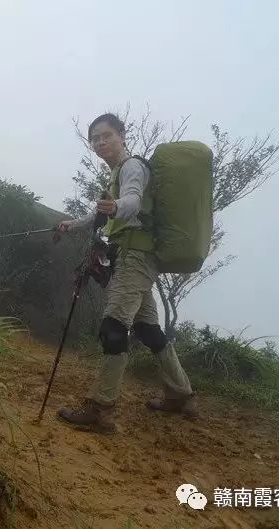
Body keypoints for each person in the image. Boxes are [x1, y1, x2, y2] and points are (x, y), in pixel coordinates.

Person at [55, 113, 197, 434]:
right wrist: (71, 224)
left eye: (106, 135)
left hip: (135, 257)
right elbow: (99, 215)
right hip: (136, 256)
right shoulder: (116, 173)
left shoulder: (132, 166)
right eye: (94, 139)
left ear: (121, 134)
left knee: (113, 327)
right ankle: (181, 395)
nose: (100, 142)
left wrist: (117, 206)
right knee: (148, 330)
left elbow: (132, 200)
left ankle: (101, 410)